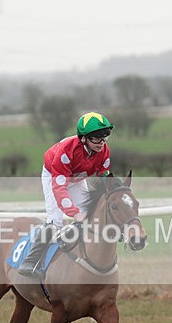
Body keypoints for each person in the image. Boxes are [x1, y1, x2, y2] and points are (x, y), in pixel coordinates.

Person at [18, 111, 114, 275]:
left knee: (88, 216)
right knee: (55, 221)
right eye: (97, 137)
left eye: (104, 136)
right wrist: (74, 213)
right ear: (84, 138)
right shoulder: (66, 150)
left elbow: (104, 178)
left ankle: (82, 254)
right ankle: (29, 262)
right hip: (54, 176)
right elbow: (60, 189)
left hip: (76, 178)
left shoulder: (104, 151)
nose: (102, 142)